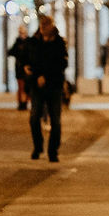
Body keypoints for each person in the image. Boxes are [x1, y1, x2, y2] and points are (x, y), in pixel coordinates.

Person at [26, 14, 71, 162]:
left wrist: (46, 76)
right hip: (37, 86)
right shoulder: (34, 42)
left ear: (51, 26)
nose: (43, 29)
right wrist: (29, 70)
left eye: (46, 26)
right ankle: (38, 146)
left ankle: (53, 151)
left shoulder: (59, 43)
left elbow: (62, 64)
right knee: (34, 118)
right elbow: (27, 59)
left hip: (54, 85)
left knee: (55, 120)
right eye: (42, 26)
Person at [8, 27, 36, 110]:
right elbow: (10, 52)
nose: (22, 34)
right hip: (19, 67)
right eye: (20, 32)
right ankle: (21, 103)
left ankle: (25, 102)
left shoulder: (30, 42)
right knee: (20, 86)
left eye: (23, 32)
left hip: (28, 67)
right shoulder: (17, 42)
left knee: (27, 86)